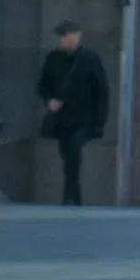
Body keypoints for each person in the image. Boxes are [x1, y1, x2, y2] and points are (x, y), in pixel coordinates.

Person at [37, 20, 109, 204]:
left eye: (65, 35)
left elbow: (101, 92)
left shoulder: (90, 59)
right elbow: (43, 84)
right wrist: (49, 100)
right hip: (62, 118)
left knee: (73, 149)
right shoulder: (53, 58)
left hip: (84, 117)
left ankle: (70, 195)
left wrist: (99, 122)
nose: (62, 39)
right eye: (60, 36)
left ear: (76, 36)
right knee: (67, 153)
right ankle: (73, 195)